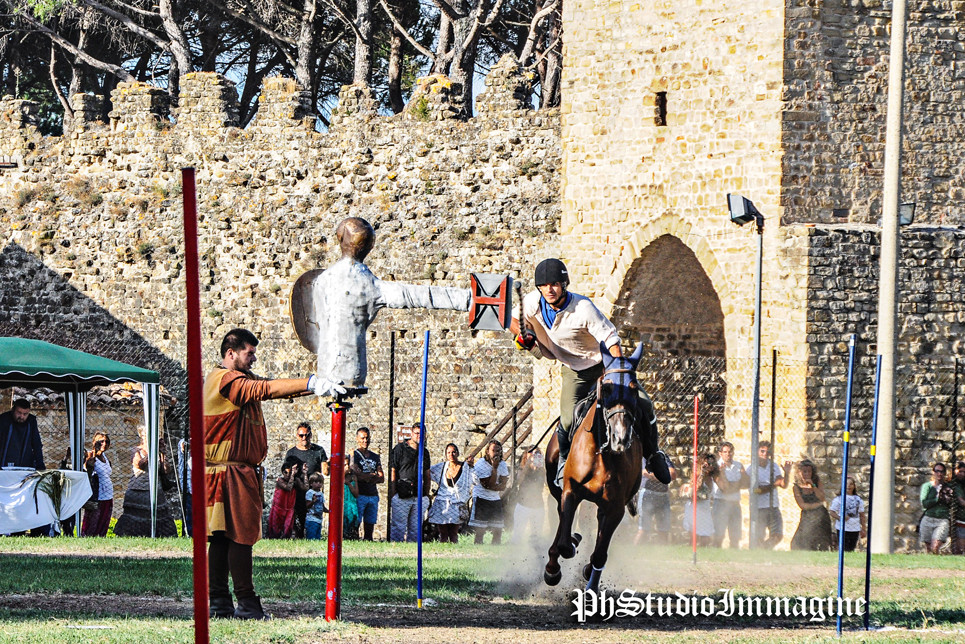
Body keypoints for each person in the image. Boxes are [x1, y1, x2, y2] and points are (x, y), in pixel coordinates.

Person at [510, 258, 672, 489]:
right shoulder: (532, 302)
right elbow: (510, 319)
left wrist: (617, 375)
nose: (550, 289)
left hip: (602, 367)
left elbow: (611, 339)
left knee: (645, 403)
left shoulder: (583, 308)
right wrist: (526, 337)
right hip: (574, 371)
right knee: (567, 419)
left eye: (555, 283)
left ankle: (654, 455)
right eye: (544, 285)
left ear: (564, 284)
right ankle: (564, 464)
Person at [203, 328, 314, 620]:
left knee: (222, 538)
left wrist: (312, 386)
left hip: (228, 471)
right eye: (248, 353)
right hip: (230, 472)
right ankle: (246, 602)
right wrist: (311, 381)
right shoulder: (225, 379)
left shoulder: (235, 380)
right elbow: (263, 389)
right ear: (231, 354)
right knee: (240, 536)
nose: (254, 358)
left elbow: (266, 386)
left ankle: (218, 600)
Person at [113, 442, 178, 538]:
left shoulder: (158, 452)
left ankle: (160, 535)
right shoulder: (136, 450)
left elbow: (166, 470)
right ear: (143, 437)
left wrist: (163, 454)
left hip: (156, 488)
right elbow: (140, 465)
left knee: (161, 515)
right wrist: (152, 452)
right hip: (138, 489)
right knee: (134, 516)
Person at [285, 422, 328, 539]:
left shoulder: (319, 451)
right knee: (298, 522)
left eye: (307, 435)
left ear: (311, 435)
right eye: (301, 435)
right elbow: (286, 473)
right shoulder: (291, 453)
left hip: (313, 492)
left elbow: (326, 471)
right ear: (296, 435)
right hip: (297, 493)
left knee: (314, 521)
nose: (304, 438)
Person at [389, 423, 430, 542]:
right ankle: (396, 549)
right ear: (411, 434)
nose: (419, 436)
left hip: (418, 495)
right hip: (402, 494)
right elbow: (393, 470)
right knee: (399, 526)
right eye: (417, 433)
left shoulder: (425, 452)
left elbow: (427, 474)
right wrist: (393, 493)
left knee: (415, 528)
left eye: (422, 434)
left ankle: (412, 550)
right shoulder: (400, 449)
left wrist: (426, 494)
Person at [427, 443, 472, 543]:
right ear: (446, 455)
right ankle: (443, 551)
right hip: (442, 502)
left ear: (458, 453)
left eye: (453, 452)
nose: (451, 455)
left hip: (456, 503)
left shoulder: (465, 467)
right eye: (448, 452)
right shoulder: (441, 467)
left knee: (453, 533)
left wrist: (471, 466)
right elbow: (428, 471)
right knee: (443, 533)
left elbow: (474, 478)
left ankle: (454, 551)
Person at [468, 439, 510, 545]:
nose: (496, 453)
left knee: (498, 528)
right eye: (493, 450)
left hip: (495, 497)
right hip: (482, 497)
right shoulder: (481, 464)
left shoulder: (503, 464)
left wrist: (496, 486)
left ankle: (495, 547)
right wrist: (494, 469)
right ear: (487, 451)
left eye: (498, 451)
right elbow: (488, 485)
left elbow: (503, 485)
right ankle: (478, 547)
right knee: (480, 530)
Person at [751, 441, 791, 549]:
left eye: (767, 451)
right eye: (762, 451)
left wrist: (787, 473)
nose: (765, 454)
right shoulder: (752, 468)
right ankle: (760, 553)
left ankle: (763, 550)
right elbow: (756, 491)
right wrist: (773, 485)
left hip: (773, 507)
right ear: (757, 452)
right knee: (758, 537)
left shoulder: (773, 466)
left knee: (777, 535)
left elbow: (782, 484)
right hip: (759, 508)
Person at [790, 459, 833, 551]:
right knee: (799, 542)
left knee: (822, 541)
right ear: (799, 472)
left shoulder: (817, 482)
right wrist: (819, 505)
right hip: (807, 516)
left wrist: (813, 486)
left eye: (809, 471)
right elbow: (803, 505)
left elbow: (822, 497)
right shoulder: (796, 487)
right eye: (804, 471)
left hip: (821, 516)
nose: (807, 474)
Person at [350, 427, 384, 541]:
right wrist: (371, 476)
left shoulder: (375, 456)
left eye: (367, 438)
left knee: (370, 523)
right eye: (362, 438)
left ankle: (368, 540)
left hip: (372, 494)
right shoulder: (354, 456)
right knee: (357, 521)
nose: (365, 441)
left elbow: (381, 477)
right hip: (360, 494)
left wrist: (365, 476)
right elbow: (355, 475)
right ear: (357, 439)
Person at [712, 441, 749, 548]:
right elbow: (724, 488)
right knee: (719, 533)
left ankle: (734, 556)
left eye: (730, 451)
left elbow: (746, 482)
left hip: (734, 503)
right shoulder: (717, 466)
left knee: (735, 534)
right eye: (725, 452)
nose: (728, 454)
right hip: (721, 502)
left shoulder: (738, 465)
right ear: (720, 453)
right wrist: (736, 484)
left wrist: (731, 485)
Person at [634, 457, 677, 546]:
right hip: (648, 495)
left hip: (663, 496)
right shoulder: (645, 457)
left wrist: (655, 476)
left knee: (663, 530)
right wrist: (664, 475)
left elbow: (673, 475)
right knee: (644, 529)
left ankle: (661, 554)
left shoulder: (663, 456)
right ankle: (635, 552)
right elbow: (646, 473)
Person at [511, 447, 546, 545]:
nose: (534, 455)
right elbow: (518, 481)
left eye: (537, 453)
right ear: (526, 455)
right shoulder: (522, 468)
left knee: (536, 536)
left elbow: (547, 484)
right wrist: (527, 465)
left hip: (538, 505)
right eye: (531, 453)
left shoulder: (542, 470)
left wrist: (541, 468)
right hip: (523, 505)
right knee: (518, 535)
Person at [81, 431, 113, 537]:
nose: (104, 444)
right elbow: (87, 470)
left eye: (106, 442)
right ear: (95, 442)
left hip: (108, 494)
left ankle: (101, 536)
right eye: (101, 441)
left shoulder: (105, 458)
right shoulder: (91, 455)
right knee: (93, 519)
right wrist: (89, 464)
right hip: (97, 494)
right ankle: (88, 536)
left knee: (104, 518)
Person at [681, 453, 716, 547]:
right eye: (706, 463)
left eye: (711, 463)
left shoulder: (713, 476)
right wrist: (702, 474)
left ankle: (703, 553)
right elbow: (695, 489)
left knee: (706, 534)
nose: (709, 465)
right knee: (694, 534)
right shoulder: (696, 475)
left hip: (705, 507)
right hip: (695, 506)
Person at [0, 398, 45, 470]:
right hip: (3, 464)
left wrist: (40, 465)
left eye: (25, 414)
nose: (21, 416)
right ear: (13, 410)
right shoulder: (3, 419)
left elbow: (36, 444)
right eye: (19, 413)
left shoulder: (31, 421)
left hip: (25, 464)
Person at [919, 462, 953, 554]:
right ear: (933, 472)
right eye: (937, 471)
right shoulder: (927, 486)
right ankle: (929, 566)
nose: (939, 474)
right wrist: (937, 499)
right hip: (928, 518)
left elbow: (951, 504)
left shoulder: (948, 487)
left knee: (935, 546)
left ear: (945, 473)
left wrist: (948, 497)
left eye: (942, 471)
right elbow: (924, 503)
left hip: (942, 519)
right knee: (928, 548)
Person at [266, 457, 304, 539]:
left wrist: (304, 474)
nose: (288, 475)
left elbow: (305, 488)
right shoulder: (280, 480)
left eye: (289, 473)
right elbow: (288, 488)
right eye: (286, 472)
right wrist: (292, 475)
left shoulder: (295, 480)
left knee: (288, 526)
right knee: (275, 527)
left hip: (289, 508)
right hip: (278, 507)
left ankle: (286, 538)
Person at [829, 475, 867, 551]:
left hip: (854, 528)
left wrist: (863, 528)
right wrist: (841, 518)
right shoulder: (838, 499)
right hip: (842, 528)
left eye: (851, 484)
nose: (848, 486)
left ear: (854, 486)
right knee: (844, 548)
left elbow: (862, 515)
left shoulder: (858, 499)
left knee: (851, 547)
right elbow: (832, 512)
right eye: (846, 484)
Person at [176, 438, 193, 537]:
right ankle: (190, 534)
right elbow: (184, 446)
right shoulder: (184, 442)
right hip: (189, 486)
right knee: (190, 514)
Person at [305, 472, 328, 541]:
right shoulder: (310, 492)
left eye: (320, 482)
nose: (318, 484)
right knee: (311, 537)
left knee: (317, 538)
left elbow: (322, 506)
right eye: (316, 482)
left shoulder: (321, 494)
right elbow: (307, 506)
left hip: (319, 519)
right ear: (311, 483)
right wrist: (313, 501)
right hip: (311, 519)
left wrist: (329, 511)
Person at [342, 456, 361, 540]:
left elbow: (356, 494)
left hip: (352, 502)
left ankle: (352, 536)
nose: (347, 467)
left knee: (353, 521)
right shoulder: (338, 477)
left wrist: (349, 484)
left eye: (348, 464)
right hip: (343, 504)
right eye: (345, 465)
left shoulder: (353, 477)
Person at [952, 461, 965, 555]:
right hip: (959, 518)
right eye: (960, 471)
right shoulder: (954, 484)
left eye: (964, 472)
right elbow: (961, 502)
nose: (962, 474)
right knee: (960, 547)